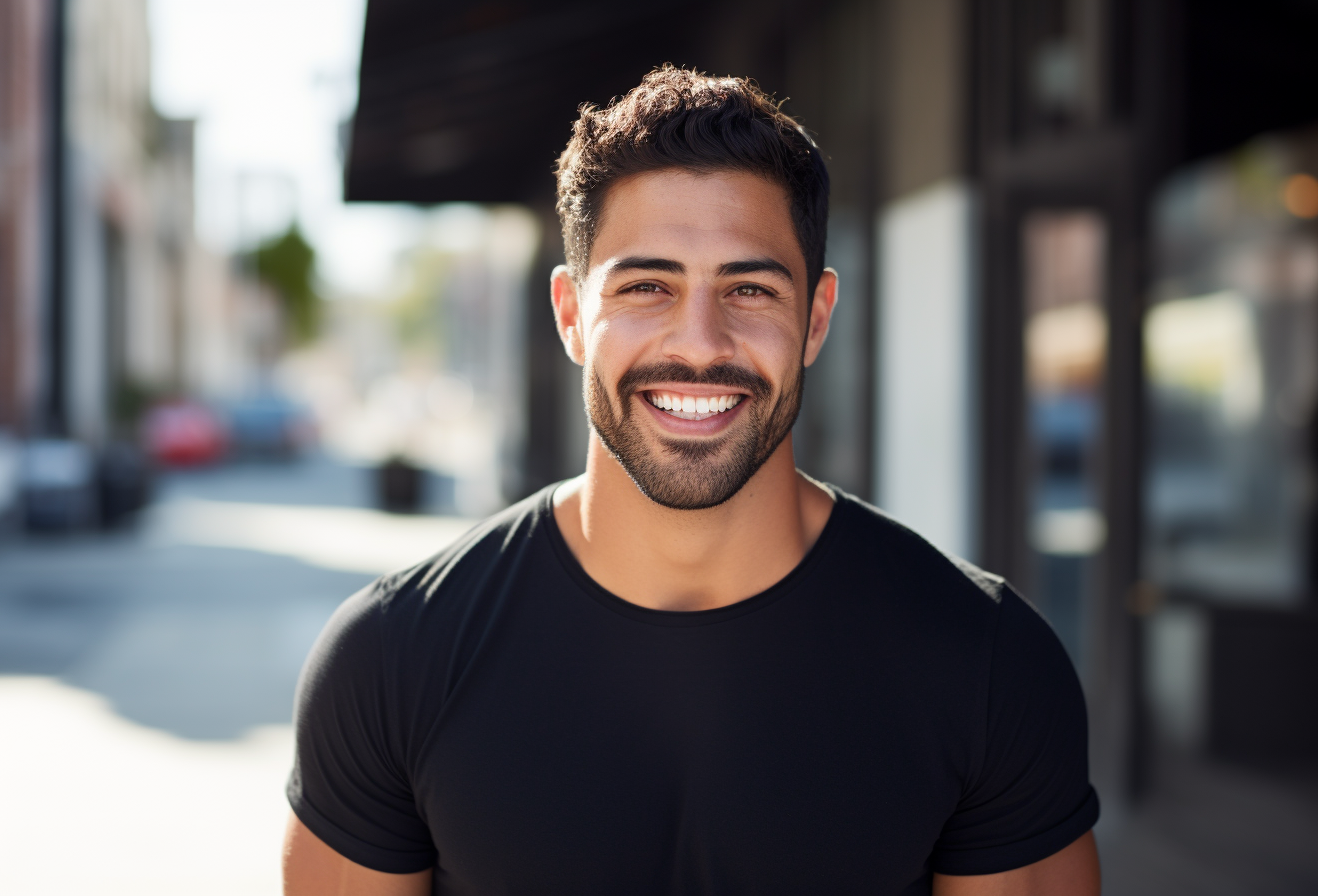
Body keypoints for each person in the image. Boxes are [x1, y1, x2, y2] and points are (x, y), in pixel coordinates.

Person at [282, 66, 1101, 896]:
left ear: (815, 318)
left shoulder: (990, 665)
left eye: (749, 289)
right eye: (647, 287)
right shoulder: (390, 661)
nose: (701, 343)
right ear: (571, 316)